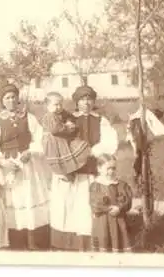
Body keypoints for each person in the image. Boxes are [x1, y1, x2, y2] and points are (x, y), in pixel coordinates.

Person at [0, 83, 52, 251]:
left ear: (18, 98)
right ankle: (15, 240)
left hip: (28, 164)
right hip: (9, 166)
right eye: (7, 98)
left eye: (13, 97)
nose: (11, 100)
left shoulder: (28, 117)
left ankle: (34, 239)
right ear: (2, 101)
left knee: (30, 196)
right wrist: (3, 161)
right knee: (14, 200)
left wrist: (32, 151)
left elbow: (39, 137)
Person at [49, 85, 119, 251]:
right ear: (76, 102)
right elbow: (58, 141)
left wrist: (92, 152)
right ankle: (68, 243)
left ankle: (91, 242)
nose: (86, 102)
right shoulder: (69, 119)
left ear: (94, 101)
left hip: (92, 168)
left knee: (88, 205)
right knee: (71, 204)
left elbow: (110, 142)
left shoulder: (101, 120)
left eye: (89, 99)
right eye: (82, 99)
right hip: (72, 170)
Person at [41, 91, 90, 182]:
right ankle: (63, 174)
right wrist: (68, 127)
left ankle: (70, 172)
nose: (58, 107)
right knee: (60, 157)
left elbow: (69, 116)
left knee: (72, 150)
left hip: (60, 139)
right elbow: (55, 129)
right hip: (53, 141)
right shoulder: (49, 116)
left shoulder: (60, 113)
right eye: (55, 105)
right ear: (48, 106)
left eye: (60, 104)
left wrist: (70, 121)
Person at [90, 154, 133, 253]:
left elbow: (128, 200)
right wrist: (108, 208)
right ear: (99, 169)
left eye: (113, 168)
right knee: (104, 241)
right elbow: (94, 203)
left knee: (118, 240)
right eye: (108, 168)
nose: (111, 171)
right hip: (102, 222)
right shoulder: (95, 186)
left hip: (118, 221)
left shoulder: (121, 185)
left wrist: (120, 208)